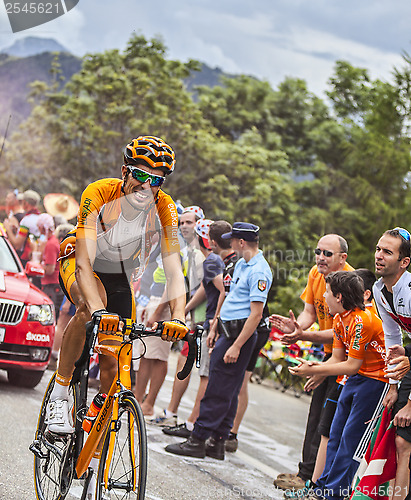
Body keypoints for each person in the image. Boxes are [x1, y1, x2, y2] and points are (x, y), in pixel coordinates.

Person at [46, 135, 189, 436]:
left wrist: (179, 317)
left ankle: (95, 449)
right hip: (79, 260)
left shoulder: (165, 208)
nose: (147, 186)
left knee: (114, 368)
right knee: (88, 305)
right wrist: (98, 310)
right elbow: (85, 261)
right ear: (125, 172)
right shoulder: (99, 192)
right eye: (140, 175)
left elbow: (175, 269)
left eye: (156, 181)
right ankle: (59, 395)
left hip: (118, 275)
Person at [165, 222, 272, 460]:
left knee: (218, 388)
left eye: (232, 239)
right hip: (227, 331)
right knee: (228, 389)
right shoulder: (243, 264)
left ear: (241, 242)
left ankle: (199, 439)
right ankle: (217, 442)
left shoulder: (259, 270)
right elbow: (231, 298)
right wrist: (215, 327)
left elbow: (255, 314)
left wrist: (236, 345)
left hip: (238, 336)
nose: (229, 242)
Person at [288, 271, 387, 500]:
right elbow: (336, 359)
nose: (324, 296)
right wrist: (314, 366)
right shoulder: (340, 318)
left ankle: (336, 494)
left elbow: (351, 365)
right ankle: (322, 489)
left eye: (328, 292)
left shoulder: (362, 320)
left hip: (375, 381)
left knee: (350, 441)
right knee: (334, 435)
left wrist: (314, 370)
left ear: (339, 297)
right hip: (355, 379)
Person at [271, 234, 353, 490]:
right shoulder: (315, 274)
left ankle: (319, 481)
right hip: (332, 353)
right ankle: (305, 474)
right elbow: (309, 313)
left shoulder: (350, 283)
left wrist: (305, 336)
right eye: (318, 252)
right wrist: (297, 327)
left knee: (329, 421)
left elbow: (343, 331)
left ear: (343, 258)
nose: (321, 257)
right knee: (315, 413)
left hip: (349, 358)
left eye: (328, 254)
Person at [162, 219, 226, 437]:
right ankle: (190, 421)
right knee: (201, 371)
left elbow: (223, 290)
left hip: (206, 322)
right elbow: (205, 288)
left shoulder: (210, 260)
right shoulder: (209, 259)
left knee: (204, 374)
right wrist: (185, 310)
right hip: (201, 319)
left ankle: (192, 423)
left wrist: (215, 320)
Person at [147, 205, 206, 426]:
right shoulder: (188, 251)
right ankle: (172, 412)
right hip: (190, 316)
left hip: (198, 319)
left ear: (200, 224)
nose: (184, 226)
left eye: (189, 222)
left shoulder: (200, 254)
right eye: (181, 222)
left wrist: (183, 311)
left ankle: (187, 419)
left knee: (192, 367)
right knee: (183, 363)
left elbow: (203, 288)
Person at [371, 228, 411, 500]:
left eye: (387, 252)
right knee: (401, 440)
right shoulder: (379, 290)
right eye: (378, 249)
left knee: (404, 439)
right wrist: (393, 386)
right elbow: (392, 338)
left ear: (404, 262)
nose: (379, 256)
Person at [3, 189, 41, 266]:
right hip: (37, 259)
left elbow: (17, 245)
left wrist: (8, 229)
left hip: (25, 260)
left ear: (26, 203)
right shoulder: (40, 217)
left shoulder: (26, 220)